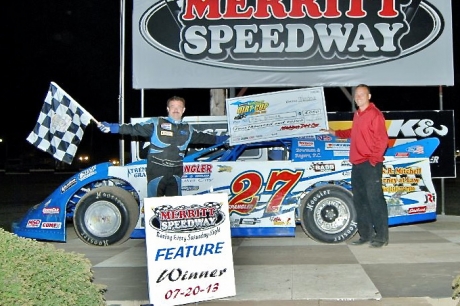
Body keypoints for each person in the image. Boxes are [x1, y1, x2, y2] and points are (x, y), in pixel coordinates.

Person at [98, 96, 228, 198]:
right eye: (172, 106)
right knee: (154, 206)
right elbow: (133, 129)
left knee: (174, 206)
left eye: (179, 107)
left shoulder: (188, 129)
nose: (175, 109)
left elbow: (206, 138)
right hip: (157, 171)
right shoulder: (156, 123)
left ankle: (173, 232)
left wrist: (224, 139)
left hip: (176, 172)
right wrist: (112, 127)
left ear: (183, 110)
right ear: (167, 109)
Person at [322, 84, 389, 248]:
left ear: (369, 96)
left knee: (375, 200)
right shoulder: (358, 115)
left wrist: (373, 160)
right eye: (356, 95)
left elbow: (382, 140)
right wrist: (335, 133)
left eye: (362, 94)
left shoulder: (375, 114)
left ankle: (381, 237)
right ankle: (365, 235)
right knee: (360, 201)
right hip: (357, 164)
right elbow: (354, 132)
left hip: (370, 164)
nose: (358, 97)